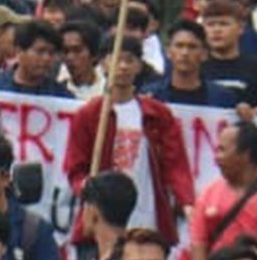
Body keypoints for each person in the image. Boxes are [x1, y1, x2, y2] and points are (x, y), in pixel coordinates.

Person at [65, 34, 195, 245]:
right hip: (102, 222)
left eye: (130, 60)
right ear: (103, 63)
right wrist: (88, 188)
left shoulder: (157, 115)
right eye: (117, 59)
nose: (123, 66)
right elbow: (75, 169)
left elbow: (176, 164)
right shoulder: (89, 115)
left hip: (148, 219)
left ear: (139, 66)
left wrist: (187, 201)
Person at [190, 122, 257, 260]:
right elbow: (199, 243)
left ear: (246, 155)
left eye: (222, 150)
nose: (216, 157)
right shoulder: (208, 194)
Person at [147, 19, 238, 107]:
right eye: (179, 46)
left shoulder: (223, 99)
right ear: (168, 51)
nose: (185, 53)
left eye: (192, 47)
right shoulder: (150, 97)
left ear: (204, 54)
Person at [200, 0, 257, 108]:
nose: (216, 30)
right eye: (210, 24)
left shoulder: (254, 67)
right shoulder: (195, 67)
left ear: (241, 28)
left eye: (224, 24)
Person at [0, 20, 71, 97]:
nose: (47, 58)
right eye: (40, 51)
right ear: (19, 51)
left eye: (51, 53)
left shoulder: (61, 95)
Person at [58, 18, 105, 101]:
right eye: (65, 51)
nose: (70, 57)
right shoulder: (56, 91)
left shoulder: (109, 90)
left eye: (77, 50)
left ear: (94, 55)